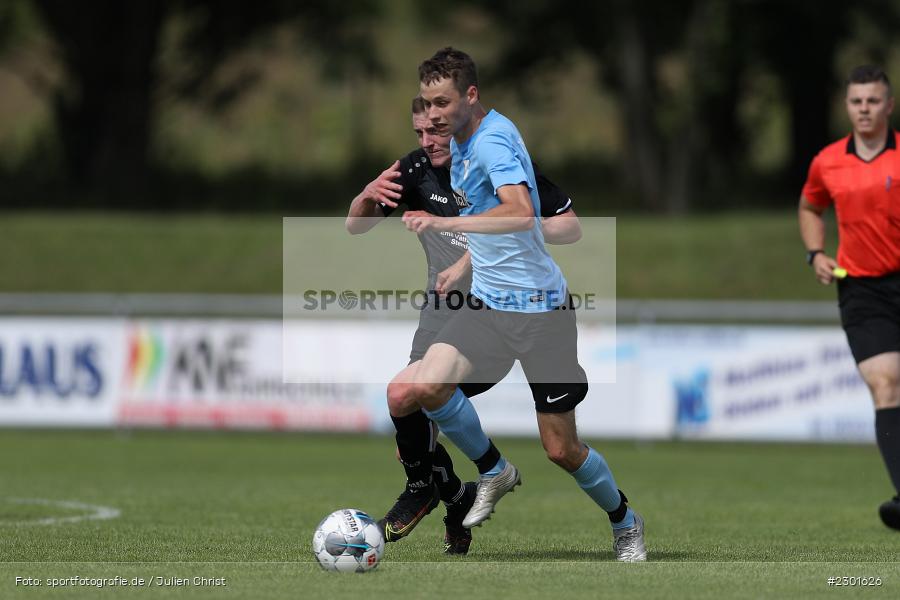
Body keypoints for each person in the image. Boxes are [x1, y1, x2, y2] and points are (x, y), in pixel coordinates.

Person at [401, 47, 646, 561]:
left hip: (541, 314)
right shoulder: (465, 140)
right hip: (489, 307)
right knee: (425, 385)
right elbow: (501, 222)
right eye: (428, 102)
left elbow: (518, 212)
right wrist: (466, 264)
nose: (435, 114)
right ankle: (494, 471)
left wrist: (445, 223)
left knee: (561, 450)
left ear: (471, 95)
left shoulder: (491, 143)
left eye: (443, 102)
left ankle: (625, 522)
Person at [346, 97, 581, 554]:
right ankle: (455, 498)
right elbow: (356, 227)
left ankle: (440, 489)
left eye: (436, 131)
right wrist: (367, 194)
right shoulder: (415, 170)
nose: (427, 141)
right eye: (419, 132)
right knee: (409, 422)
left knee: (412, 400)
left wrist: (493, 241)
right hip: (440, 313)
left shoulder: (498, 165)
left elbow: (569, 226)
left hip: (493, 312)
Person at [799, 64, 900, 531]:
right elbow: (810, 206)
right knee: (885, 383)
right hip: (862, 289)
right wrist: (816, 252)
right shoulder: (827, 161)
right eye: (857, 101)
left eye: (873, 100)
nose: (864, 109)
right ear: (847, 106)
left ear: (888, 105)